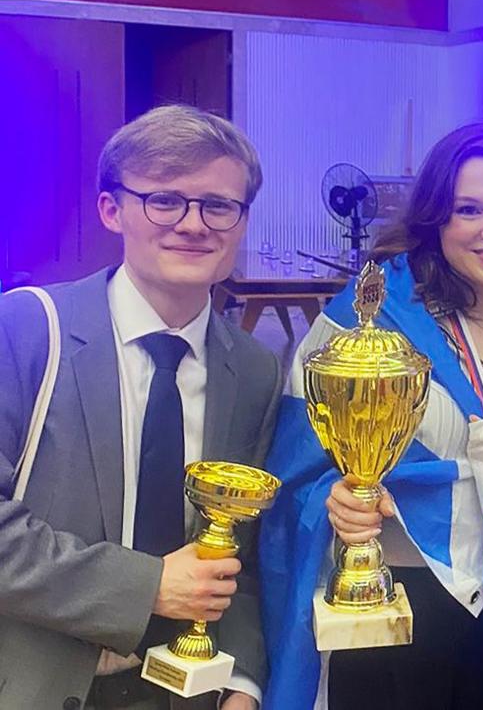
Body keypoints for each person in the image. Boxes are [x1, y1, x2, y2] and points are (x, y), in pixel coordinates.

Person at [258, 122, 483, 710]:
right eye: (469, 210)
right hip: (395, 602)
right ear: (436, 218)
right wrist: (333, 499)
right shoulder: (365, 323)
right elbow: (293, 474)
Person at [0, 105, 279, 710]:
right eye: (164, 200)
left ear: (241, 220)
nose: (193, 224)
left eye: (217, 205)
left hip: (191, 692)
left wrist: (245, 684)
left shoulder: (255, 370)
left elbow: (244, 553)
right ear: (112, 209)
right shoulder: (24, 332)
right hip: (41, 685)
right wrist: (147, 588)